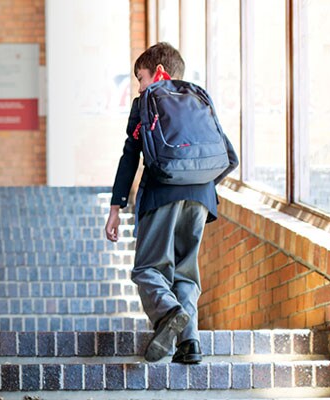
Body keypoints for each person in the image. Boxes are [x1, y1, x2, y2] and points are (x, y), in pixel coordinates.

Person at [105, 42, 238, 364]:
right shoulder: (197, 98)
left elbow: (130, 156)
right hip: (201, 196)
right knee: (185, 272)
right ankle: (189, 342)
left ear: (158, 73)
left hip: (162, 191)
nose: (139, 86)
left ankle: (168, 312)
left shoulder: (146, 102)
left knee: (149, 268)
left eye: (140, 77)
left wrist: (116, 206)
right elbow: (223, 153)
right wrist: (200, 189)